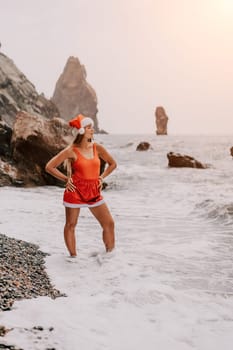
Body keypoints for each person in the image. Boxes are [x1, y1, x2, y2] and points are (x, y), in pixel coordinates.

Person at [45, 114, 117, 259]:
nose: (92, 129)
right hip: (75, 191)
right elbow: (50, 166)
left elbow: (113, 164)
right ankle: (73, 258)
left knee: (108, 223)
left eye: (92, 127)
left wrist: (101, 177)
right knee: (71, 224)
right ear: (82, 131)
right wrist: (66, 179)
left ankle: (110, 258)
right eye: (89, 127)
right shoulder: (71, 150)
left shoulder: (98, 148)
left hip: (94, 191)